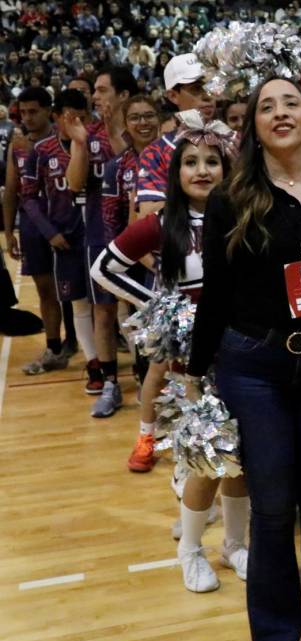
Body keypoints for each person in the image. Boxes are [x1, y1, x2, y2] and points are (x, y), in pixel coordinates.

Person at [187, 77, 301, 641]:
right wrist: (196, 375)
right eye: (267, 106)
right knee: (271, 508)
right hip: (254, 367)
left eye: (291, 102)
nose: (280, 112)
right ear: (255, 126)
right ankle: (274, 634)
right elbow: (215, 292)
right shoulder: (230, 198)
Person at [92, 119, 250, 593]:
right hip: (194, 363)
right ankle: (191, 551)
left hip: (245, 352)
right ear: (176, 172)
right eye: (190, 163)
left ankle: (237, 545)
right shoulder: (162, 224)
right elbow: (104, 268)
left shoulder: (245, 216)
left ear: (228, 168)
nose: (202, 171)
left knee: (242, 458)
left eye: (212, 162)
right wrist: (159, 306)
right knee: (208, 457)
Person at [24, 89, 110, 398]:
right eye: (71, 117)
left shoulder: (103, 145)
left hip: (103, 235)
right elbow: (29, 197)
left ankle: (126, 365)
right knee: (79, 305)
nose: (78, 122)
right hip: (66, 240)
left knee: (113, 305)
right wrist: (49, 231)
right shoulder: (42, 150)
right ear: (57, 116)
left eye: (83, 117)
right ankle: (93, 364)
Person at [98, 94, 161, 469]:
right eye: (135, 117)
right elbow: (113, 221)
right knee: (149, 353)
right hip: (136, 263)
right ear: (125, 123)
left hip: (176, 263)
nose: (143, 123)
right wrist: (141, 255)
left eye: (149, 116)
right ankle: (147, 433)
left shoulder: (174, 153)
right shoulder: (116, 167)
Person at [87, 65, 139, 417]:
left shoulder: (146, 125)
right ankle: (110, 383)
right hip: (103, 226)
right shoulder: (88, 133)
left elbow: (133, 163)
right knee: (103, 308)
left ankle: (145, 378)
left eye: (102, 90)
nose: (96, 97)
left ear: (123, 95)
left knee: (139, 311)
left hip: (141, 230)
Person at [5, 88, 68, 374]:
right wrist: (8, 232)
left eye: (34, 111)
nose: (28, 117)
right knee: (45, 289)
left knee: (73, 289)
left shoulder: (62, 139)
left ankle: (83, 343)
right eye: (23, 112)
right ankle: (54, 347)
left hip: (64, 219)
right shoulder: (16, 144)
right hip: (31, 224)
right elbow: (12, 191)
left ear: (48, 111)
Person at [136, 53, 216, 220]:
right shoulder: (155, 153)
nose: (207, 95)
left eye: (210, 86)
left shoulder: (235, 142)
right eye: (196, 89)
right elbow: (149, 214)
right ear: (173, 96)